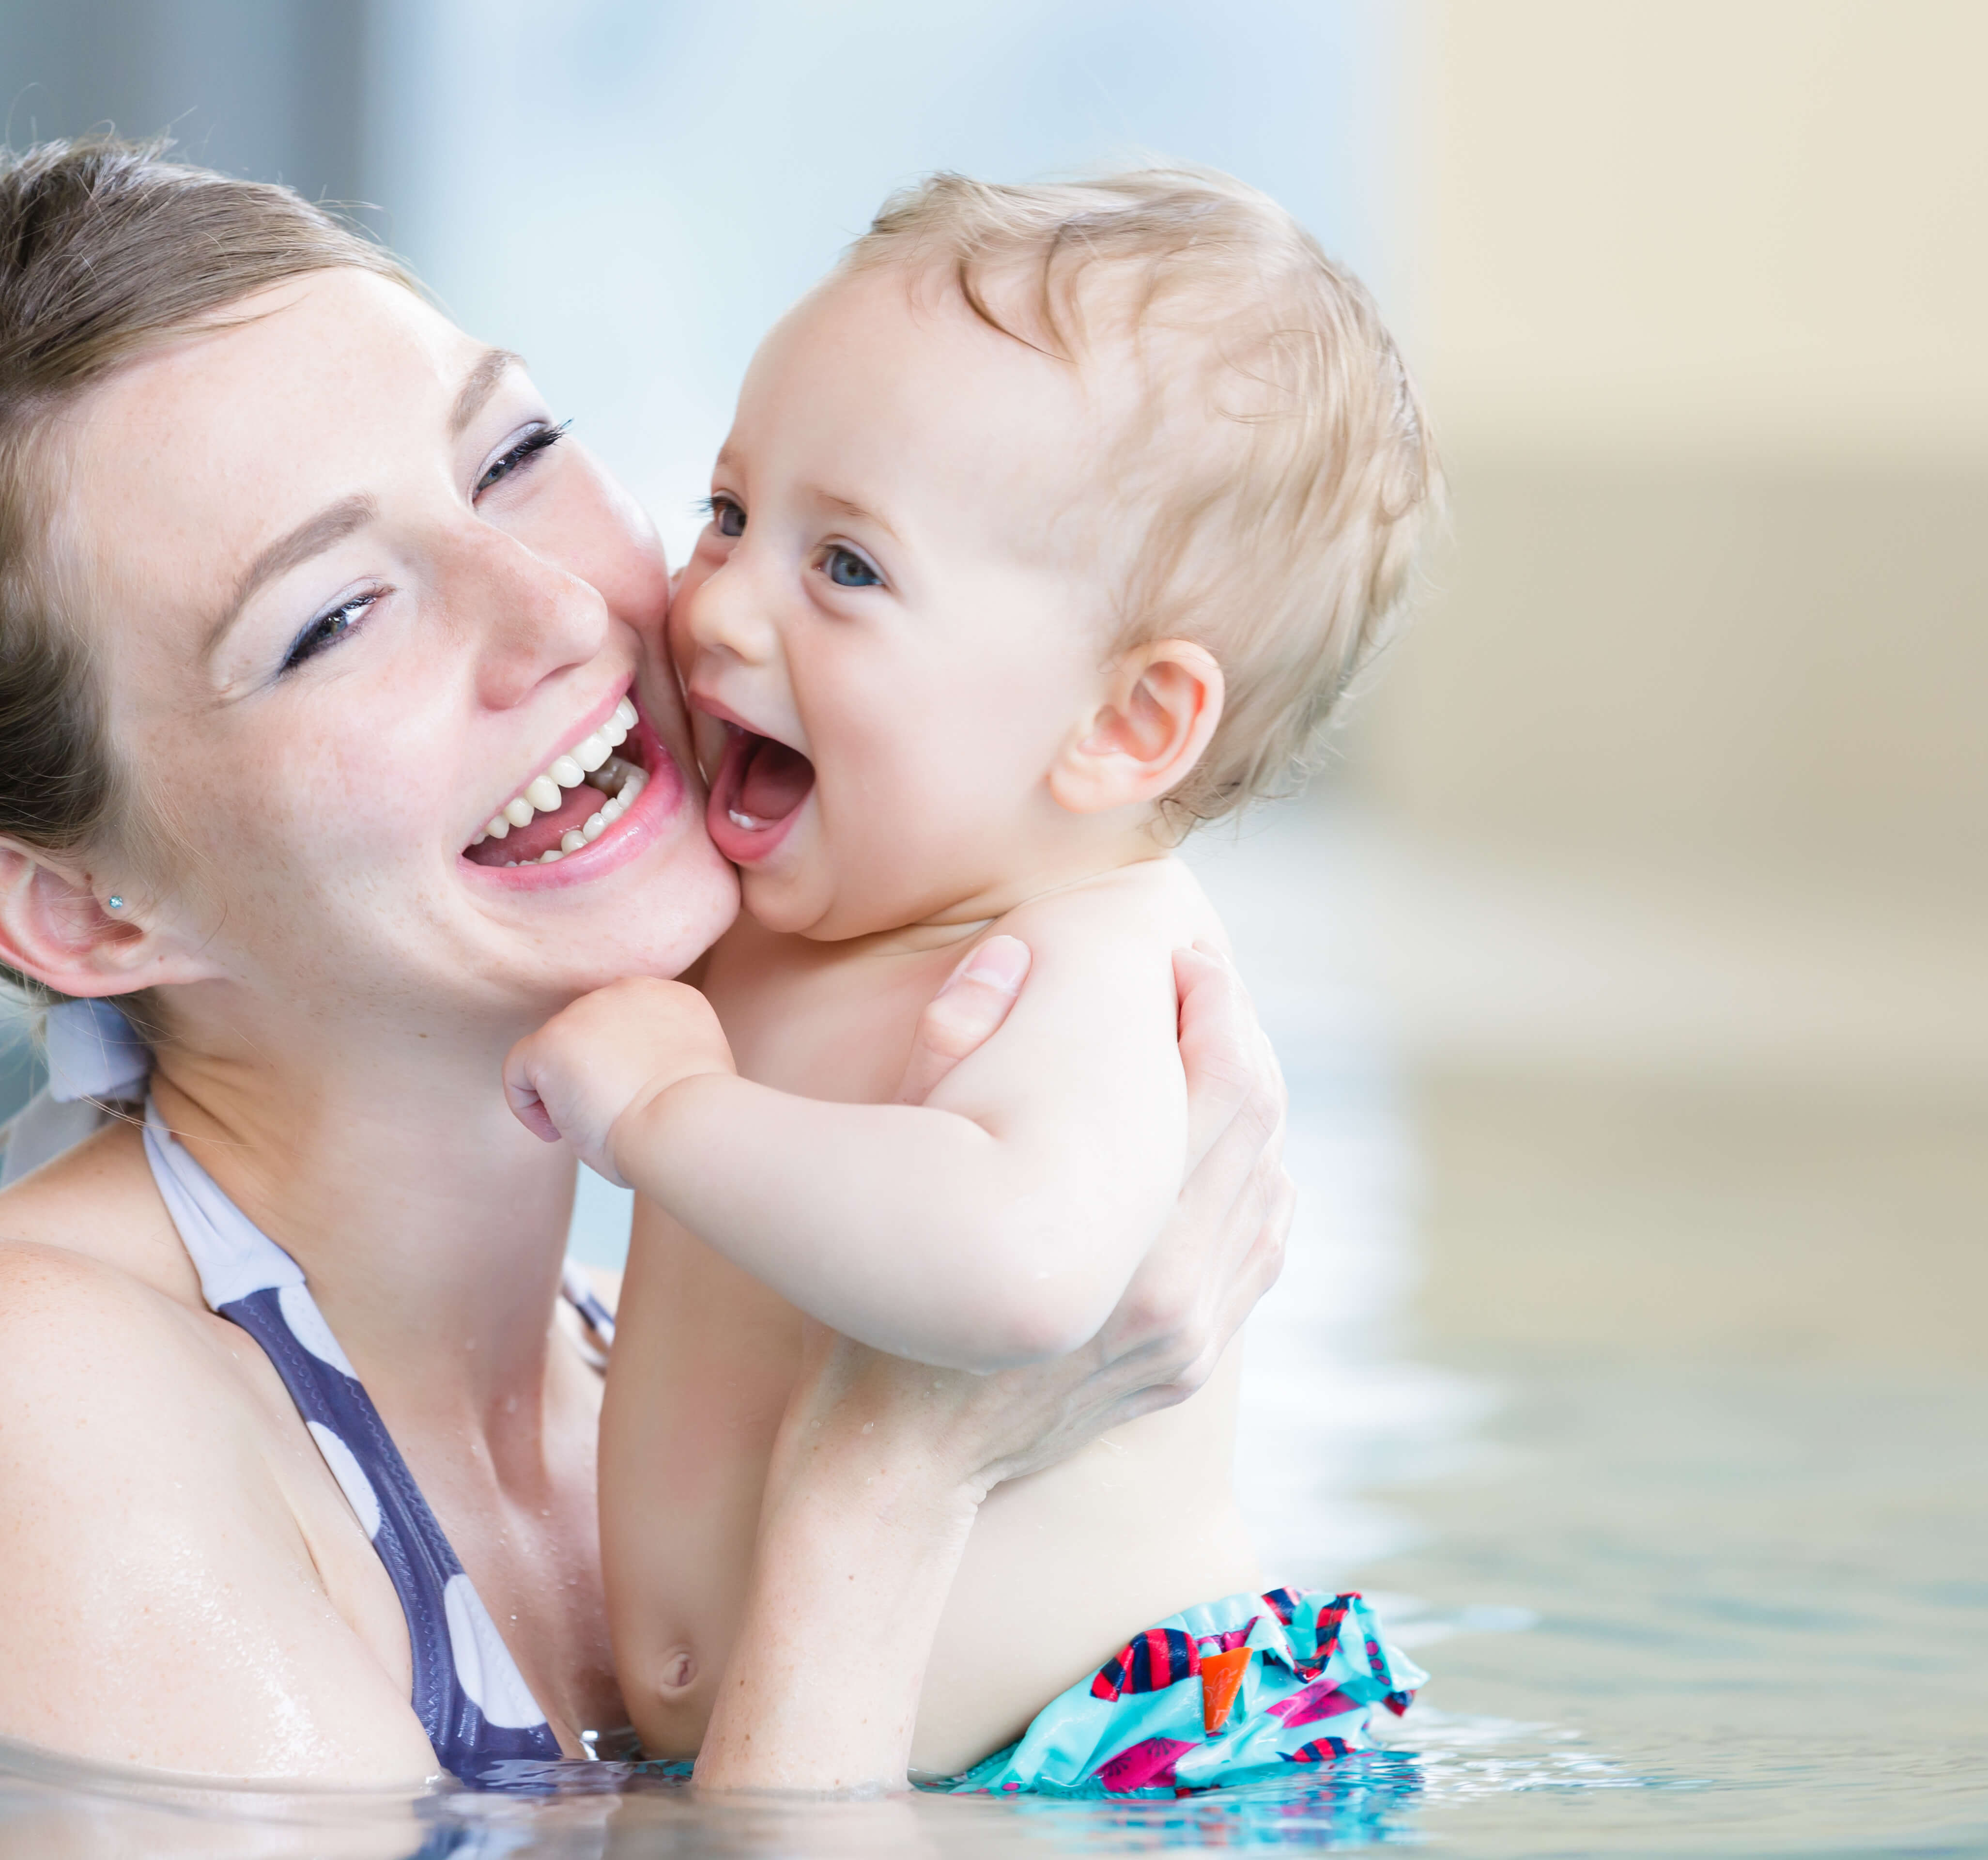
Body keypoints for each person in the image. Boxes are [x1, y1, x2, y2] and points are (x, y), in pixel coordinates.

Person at [0, 138, 1290, 1792]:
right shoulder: (1, 1405)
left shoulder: (662, 1368)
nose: (559, 613)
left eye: (512, 456)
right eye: (333, 620)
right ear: (81, 910)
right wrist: (893, 1483)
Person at [503, 170, 1433, 1795]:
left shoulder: (1082, 957)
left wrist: (668, 1110)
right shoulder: (803, 896)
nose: (720, 603)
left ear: (1125, 727)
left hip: (1108, 1762)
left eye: (847, 569)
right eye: (729, 513)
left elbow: (1018, 1271)